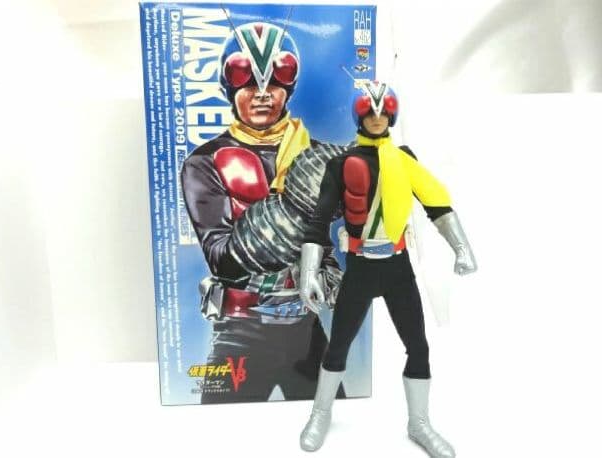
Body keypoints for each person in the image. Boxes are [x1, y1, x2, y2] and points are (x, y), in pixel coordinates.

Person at [298, 80, 477, 456]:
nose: (377, 117)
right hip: (360, 269)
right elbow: (318, 222)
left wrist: (461, 248)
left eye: (384, 111)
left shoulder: (404, 158)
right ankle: (320, 413)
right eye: (370, 111)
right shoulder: (341, 164)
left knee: (418, 347)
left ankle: (420, 423)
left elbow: (436, 203)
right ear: (358, 115)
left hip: (397, 269)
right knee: (338, 347)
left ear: (393, 114)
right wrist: (309, 272)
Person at [181, 21, 344, 403]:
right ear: (230, 88)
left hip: (305, 324)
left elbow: (322, 244)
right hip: (241, 330)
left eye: (274, 82)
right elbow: (222, 259)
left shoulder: (315, 153)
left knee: (336, 421)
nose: (262, 95)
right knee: (219, 428)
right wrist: (298, 204)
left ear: (289, 88)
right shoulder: (205, 162)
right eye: (248, 82)